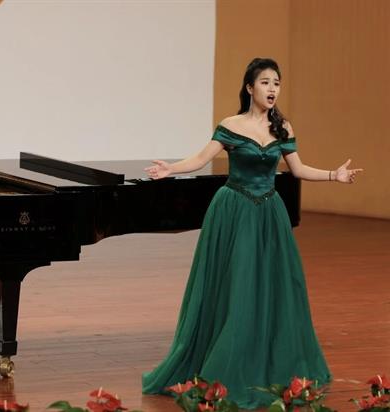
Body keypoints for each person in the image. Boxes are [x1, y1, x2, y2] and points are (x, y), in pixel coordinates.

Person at [141, 58, 363, 409]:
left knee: (274, 285)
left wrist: (334, 175)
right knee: (238, 283)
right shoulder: (231, 125)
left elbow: (298, 169)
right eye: (265, 82)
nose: (272, 89)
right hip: (234, 210)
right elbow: (200, 159)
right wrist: (171, 168)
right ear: (249, 87)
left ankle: (266, 359)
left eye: (277, 83)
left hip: (269, 213)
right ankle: (228, 361)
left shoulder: (283, 127)